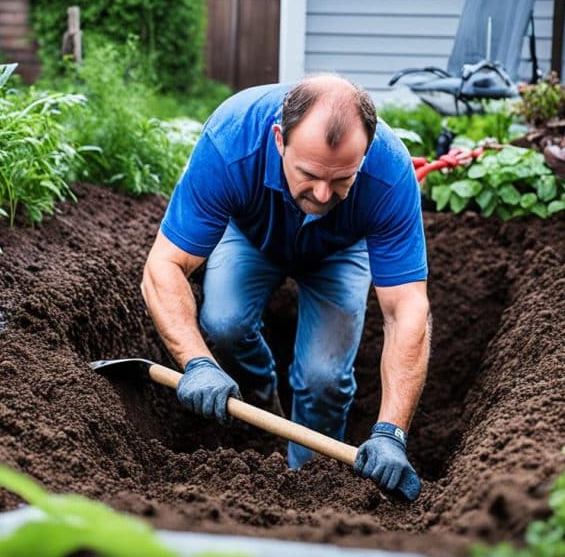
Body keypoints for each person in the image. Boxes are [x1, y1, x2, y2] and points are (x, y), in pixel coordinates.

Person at [140, 75, 430, 501]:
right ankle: (259, 412)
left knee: (324, 377)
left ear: (365, 153)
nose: (323, 194)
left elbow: (406, 309)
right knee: (223, 323)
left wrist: (391, 431)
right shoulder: (232, 141)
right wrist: (197, 363)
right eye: (308, 174)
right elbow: (164, 265)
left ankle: (313, 482)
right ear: (279, 140)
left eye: (342, 179)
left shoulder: (390, 172)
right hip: (251, 235)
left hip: (339, 251)